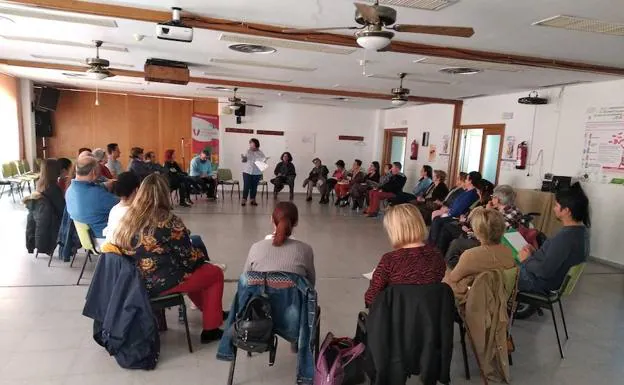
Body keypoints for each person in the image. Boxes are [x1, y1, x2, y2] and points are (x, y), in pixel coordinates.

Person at [112, 174, 225, 343]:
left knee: (195, 272)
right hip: (160, 281)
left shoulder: (128, 217)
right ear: (165, 194)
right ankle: (211, 329)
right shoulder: (168, 220)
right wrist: (202, 258)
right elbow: (188, 259)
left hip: (135, 280)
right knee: (214, 273)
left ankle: (209, 310)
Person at [364, 204, 445, 307]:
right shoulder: (437, 255)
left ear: (394, 231)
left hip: (396, 318)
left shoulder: (390, 260)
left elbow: (370, 299)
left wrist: (376, 278)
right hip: (428, 317)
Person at [517, 183, 590, 294]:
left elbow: (544, 271)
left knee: (499, 272)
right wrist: (534, 253)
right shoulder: (581, 231)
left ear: (566, 211)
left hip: (540, 282)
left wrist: (526, 260)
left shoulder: (566, 237)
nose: (554, 208)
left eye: (556, 205)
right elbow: (555, 258)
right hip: (550, 279)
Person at [445, 184, 526, 268]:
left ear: (497, 200)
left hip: (493, 245)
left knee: (456, 243)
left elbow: (489, 234)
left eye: (492, 196)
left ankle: (461, 269)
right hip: (496, 242)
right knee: (461, 237)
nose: (491, 199)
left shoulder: (506, 215)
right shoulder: (513, 210)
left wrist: (487, 212)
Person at [443, 208, 516, 297]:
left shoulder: (471, 255)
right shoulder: (508, 252)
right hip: (498, 301)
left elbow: (453, 279)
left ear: (477, 231)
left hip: (473, 302)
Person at [244, 201, 315, 285]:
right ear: (296, 222)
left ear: (271, 219)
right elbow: (310, 284)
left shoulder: (256, 248)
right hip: (293, 298)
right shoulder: (306, 250)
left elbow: (245, 280)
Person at [65, 155, 119, 238]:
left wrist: (103, 185)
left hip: (90, 238)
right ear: (94, 172)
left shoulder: (69, 191)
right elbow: (123, 205)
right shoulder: (97, 195)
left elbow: (87, 194)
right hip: (107, 237)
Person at [24, 159, 66, 256]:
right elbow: (62, 210)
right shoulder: (54, 189)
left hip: (44, 223)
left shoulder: (40, 185)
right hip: (54, 223)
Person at [428, 171, 481, 246]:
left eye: (466, 179)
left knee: (438, 220)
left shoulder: (472, 194)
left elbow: (460, 209)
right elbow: (455, 202)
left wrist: (448, 213)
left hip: (456, 216)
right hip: (452, 212)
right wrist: (449, 209)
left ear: (470, 181)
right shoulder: (467, 191)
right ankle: (431, 243)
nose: (465, 180)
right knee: (437, 219)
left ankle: (433, 244)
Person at [102, 172, 140, 242]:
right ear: (137, 190)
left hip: (111, 248)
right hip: (123, 249)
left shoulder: (115, 208)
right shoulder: (133, 213)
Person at [241, 138, 266, 207]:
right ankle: (244, 199)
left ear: (256, 145)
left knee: (254, 187)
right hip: (247, 171)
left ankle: (253, 200)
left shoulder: (260, 153)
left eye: (252, 144)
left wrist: (263, 161)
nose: (250, 146)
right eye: (250, 144)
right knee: (246, 186)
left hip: (257, 172)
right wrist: (243, 158)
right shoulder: (248, 151)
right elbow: (244, 160)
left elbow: (264, 162)